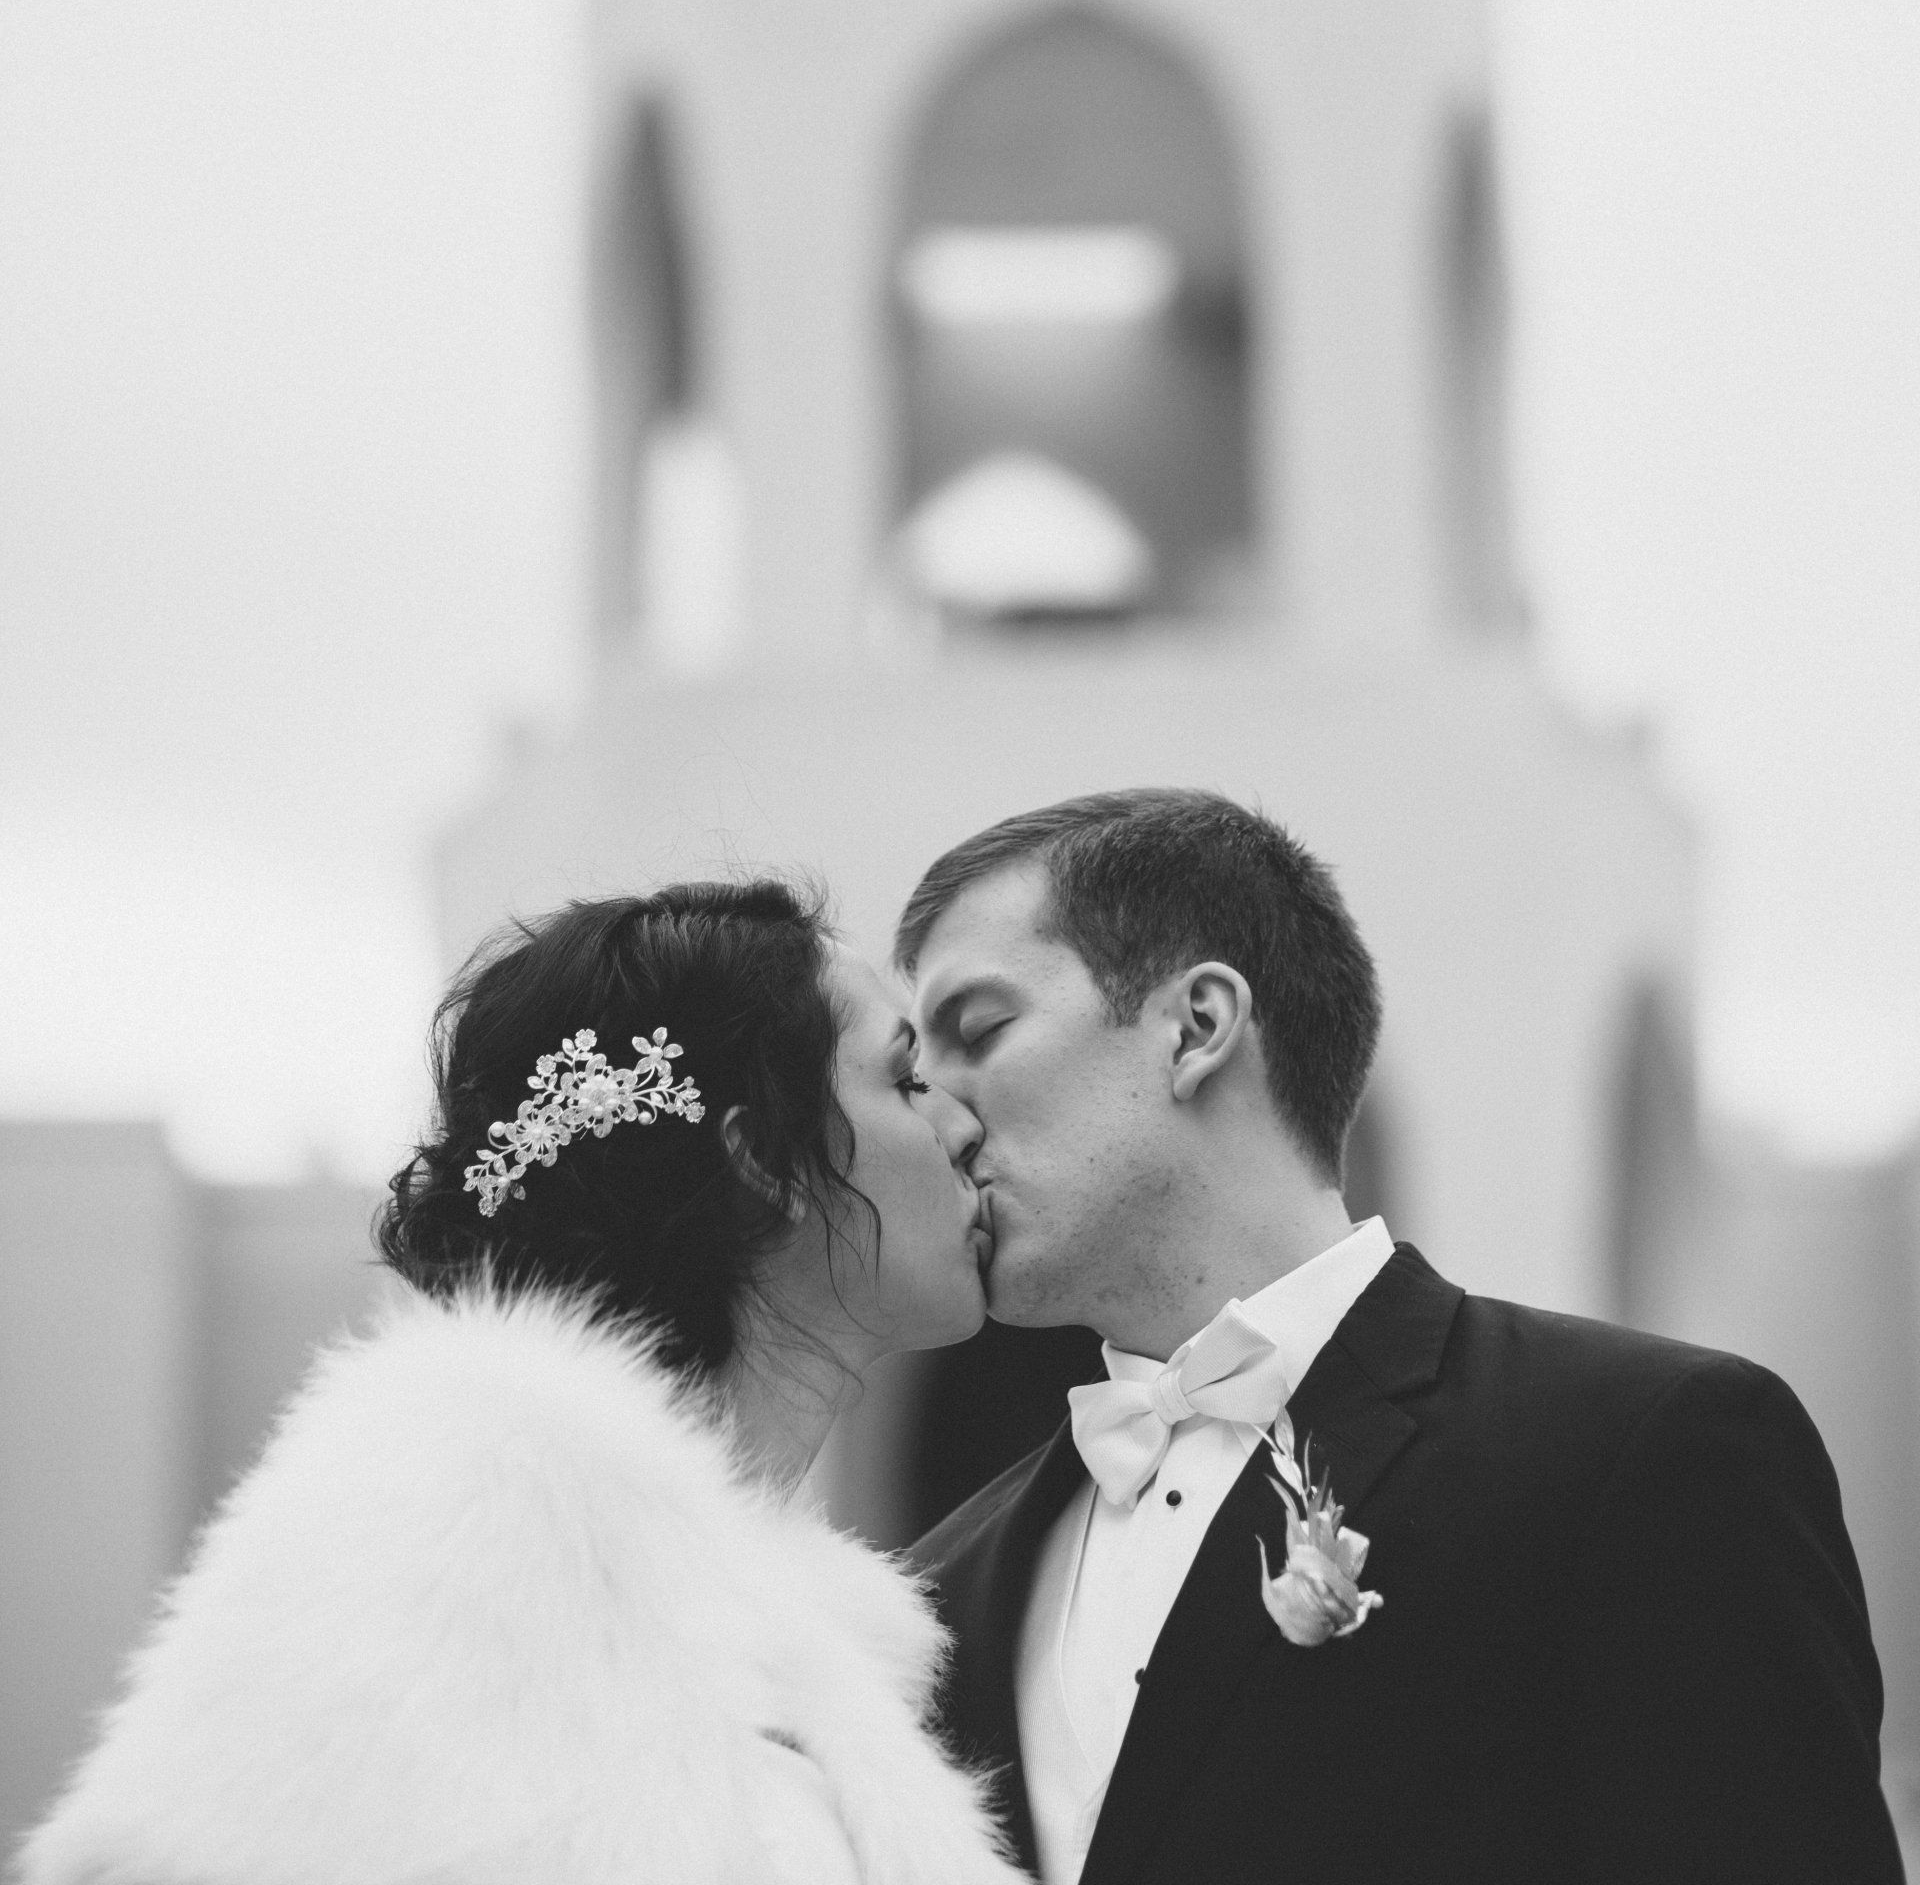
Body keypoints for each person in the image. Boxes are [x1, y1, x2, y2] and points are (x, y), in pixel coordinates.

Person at [897, 788, 1903, 1885]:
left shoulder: (1649, 1455)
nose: (933, 1116)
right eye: (913, 1069)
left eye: (978, 1033)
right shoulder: (939, 1591)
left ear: (1195, 1028)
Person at [23, 880, 1020, 1885]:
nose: (965, 1126)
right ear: (767, 1157)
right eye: (905, 1081)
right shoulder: (441, 1557)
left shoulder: (798, 1633)